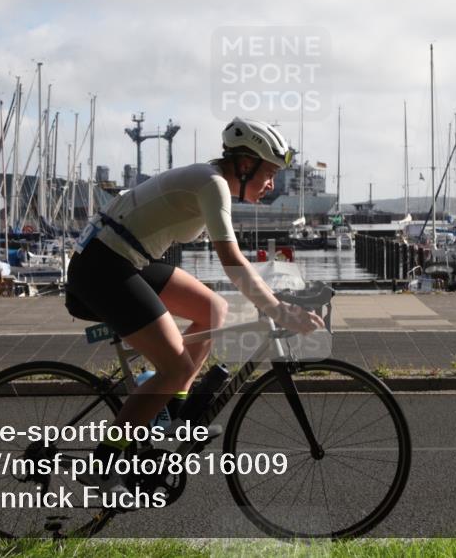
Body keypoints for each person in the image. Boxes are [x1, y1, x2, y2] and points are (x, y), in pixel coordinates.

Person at [65, 117, 325, 491]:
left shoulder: (212, 183)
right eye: (269, 172)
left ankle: (171, 410)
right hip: (101, 267)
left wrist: (275, 292)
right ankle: (103, 463)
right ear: (245, 163)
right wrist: (279, 310)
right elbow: (233, 263)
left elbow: (237, 265)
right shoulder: (213, 184)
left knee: (212, 310)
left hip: (127, 258)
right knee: (175, 366)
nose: (272, 183)